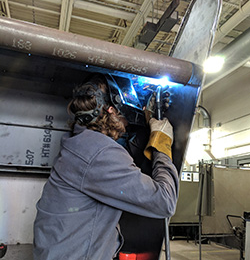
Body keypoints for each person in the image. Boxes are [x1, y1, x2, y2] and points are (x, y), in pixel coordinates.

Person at [33, 73, 179, 260]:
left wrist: (147, 120)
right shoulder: (100, 152)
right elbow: (164, 202)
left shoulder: (79, 142)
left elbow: (123, 163)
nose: (127, 115)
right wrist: (161, 143)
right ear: (111, 110)